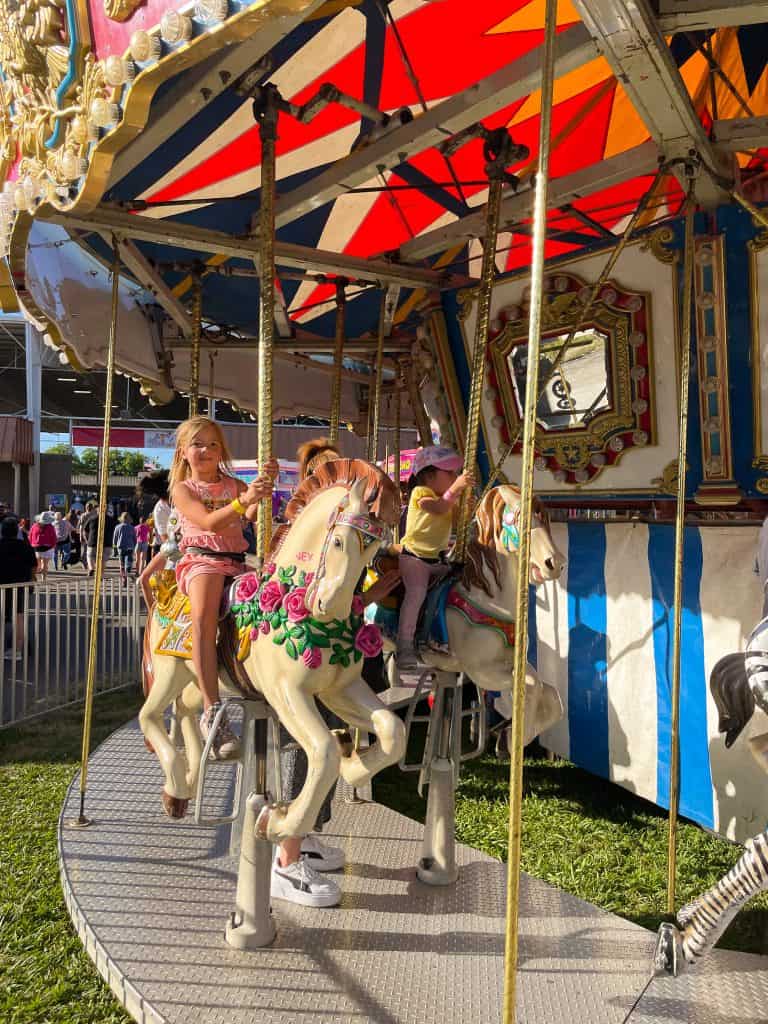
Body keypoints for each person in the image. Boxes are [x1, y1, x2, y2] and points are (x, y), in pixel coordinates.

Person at [170, 415, 277, 757]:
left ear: (221, 452)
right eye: (197, 444)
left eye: (212, 444)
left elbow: (254, 516)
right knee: (204, 616)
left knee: (274, 597)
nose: (205, 450)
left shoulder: (233, 484)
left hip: (236, 559)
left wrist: (264, 487)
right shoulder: (183, 489)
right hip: (202, 560)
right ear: (184, 452)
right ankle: (212, 709)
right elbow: (208, 522)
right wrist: (245, 501)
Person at [397, 446, 474, 670]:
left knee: (460, 584)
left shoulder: (446, 500)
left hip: (437, 561)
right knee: (416, 593)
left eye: (454, 474)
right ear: (428, 476)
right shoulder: (421, 493)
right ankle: (405, 645)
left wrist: (467, 509)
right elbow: (439, 509)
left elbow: (460, 524)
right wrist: (457, 488)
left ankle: (443, 636)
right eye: (449, 473)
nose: (453, 477)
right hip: (415, 559)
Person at [0, 517, 37, 660]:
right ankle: (17, 650)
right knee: (18, 616)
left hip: (1, 585)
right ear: (16, 532)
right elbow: (34, 565)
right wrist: (31, 579)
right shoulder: (25, 546)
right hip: (19, 586)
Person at [80, 501, 115, 577]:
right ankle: (100, 575)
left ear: (97, 510)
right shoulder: (112, 520)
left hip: (93, 541)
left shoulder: (92, 519)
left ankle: (91, 568)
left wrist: (87, 540)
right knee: (103, 560)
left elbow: (85, 532)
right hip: (107, 543)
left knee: (90, 556)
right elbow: (115, 531)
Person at [28, 511, 57, 580]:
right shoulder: (50, 527)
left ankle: (35, 577)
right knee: (45, 564)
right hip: (47, 547)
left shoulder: (34, 526)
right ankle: (43, 579)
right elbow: (53, 537)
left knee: (38, 564)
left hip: (36, 547)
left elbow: (30, 535)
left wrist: (30, 545)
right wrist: (53, 545)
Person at [113, 512, 137, 584]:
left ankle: (124, 578)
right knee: (128, 563)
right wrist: (134, 546)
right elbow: (134, 539)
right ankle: (128, 573)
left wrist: (114, 549)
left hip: (120, 547)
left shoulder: (117, 527)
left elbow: (115, 538)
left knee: (121, 564)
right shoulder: (132, 528)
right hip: (130, 547)